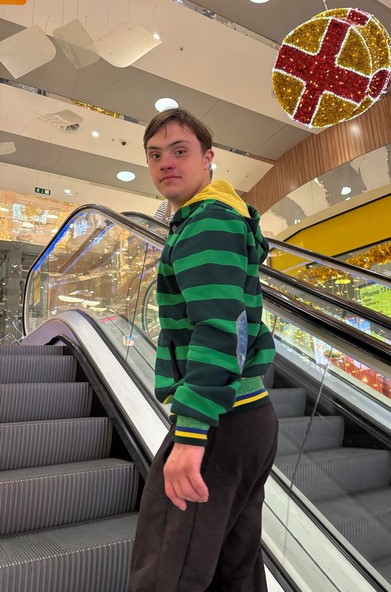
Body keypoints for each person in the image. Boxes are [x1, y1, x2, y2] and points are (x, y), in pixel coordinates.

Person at [130, 108, 278, 592]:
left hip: (219, 421)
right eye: (155, 155)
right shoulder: (218, 217)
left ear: (208, 157)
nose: (165, 163)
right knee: (235, 568)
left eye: (180, 151)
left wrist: (192, 434)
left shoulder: (206, 223)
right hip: (247, 413)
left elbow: (219, 330)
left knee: (167, 572)